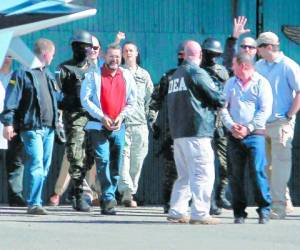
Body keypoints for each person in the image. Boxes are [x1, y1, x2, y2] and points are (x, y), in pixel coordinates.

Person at [167, 40, 225, 225]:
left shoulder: (176, 75)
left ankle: (177, 210)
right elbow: (217, 97)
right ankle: (200, 213)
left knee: (184, 175)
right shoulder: (196, 72)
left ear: (184, 54)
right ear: (199, 55)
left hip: (179, 132)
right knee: (202, 173)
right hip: (197, 130)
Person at [1, 38, 60, 215]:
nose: (52, 58)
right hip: (32, 127)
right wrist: (8, 123)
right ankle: (34, 203)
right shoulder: (21, 74)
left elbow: (56, 99)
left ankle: (36, 200)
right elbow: (11, 101)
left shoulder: (49, 75)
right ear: (46, 54)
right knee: (36, 163)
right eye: (52, 55)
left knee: (44, 164)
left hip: (49, 128)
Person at [80, 43, 136, 215]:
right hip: (98, 126)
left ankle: (108, 194)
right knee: (102, 161)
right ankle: (108, 197)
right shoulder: (93, 75)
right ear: (105, 56)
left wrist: (121, 117)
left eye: (118, 57)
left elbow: (132, 101)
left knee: (115, 164)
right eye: (111, 56)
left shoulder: (126, 75)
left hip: (119, 126)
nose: (115, 59)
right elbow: (85, 99)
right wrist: (101, 116)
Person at [221, 53, 273, 224]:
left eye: (234, 65)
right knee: (235, 175)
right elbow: (223, 108)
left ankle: (264, 209)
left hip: (255, 135)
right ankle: (239, 212)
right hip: (234, 135)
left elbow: (265, 110)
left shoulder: (261, 83)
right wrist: (231, 126)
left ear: (243, 66)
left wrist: (248, 128)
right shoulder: (230, 83)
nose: (232, 68)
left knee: (258, 172)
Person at [256, 31, 300, 219]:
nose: (256, 50)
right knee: (266, 166)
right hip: (262, 124)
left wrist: (289, 115)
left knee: (281, 164)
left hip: (281, 123)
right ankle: (285, 200)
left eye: (259, 46)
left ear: (269, 47)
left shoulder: (288, 65)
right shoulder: (259, 66)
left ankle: (279, 207)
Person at [57, 30, 94, 212]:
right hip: (74, 118)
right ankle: (79, 193)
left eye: (88, 47)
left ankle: (74, 188)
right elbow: (56, 95)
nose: (85, 50)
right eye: (81, 46)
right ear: (74, 48)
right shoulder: (64, 69)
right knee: (76, 155)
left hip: (94, 119)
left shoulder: (95, 69)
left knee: (91, 156)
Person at [148, 42, 185, 213]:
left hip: (194, 131)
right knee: (172, 170)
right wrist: (151, 121)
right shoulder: (169, 77)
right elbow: (155, 101)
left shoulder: (199, 76)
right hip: (174, 132)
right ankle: (169, 203)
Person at [117, 41, 153, 207]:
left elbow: (151, 98)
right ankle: (126, 190)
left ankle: (129, 192)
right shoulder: (118, 73)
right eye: (125, 51)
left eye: (131, 50)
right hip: (122, 124)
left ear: (137, 53)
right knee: (123, 159)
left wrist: (151, 116)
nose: (128, 53)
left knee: (137, 161)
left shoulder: (143, 75)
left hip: (140, 124)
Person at [201, 38, 231, 215]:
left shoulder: (222, 71)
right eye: (210, 54)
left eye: (216, 56)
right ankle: (210, 200)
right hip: (203, 124)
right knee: (206, 165)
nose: (213, 59)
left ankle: (220, 195)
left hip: (220, 123)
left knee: (224, 164)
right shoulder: (197, 71)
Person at [0, 55, 26, 207]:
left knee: (15, 161)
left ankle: (15, 195)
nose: (6, 59)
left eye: (9, 56)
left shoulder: (16, 76)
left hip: (11, 125)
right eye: (4, 55)